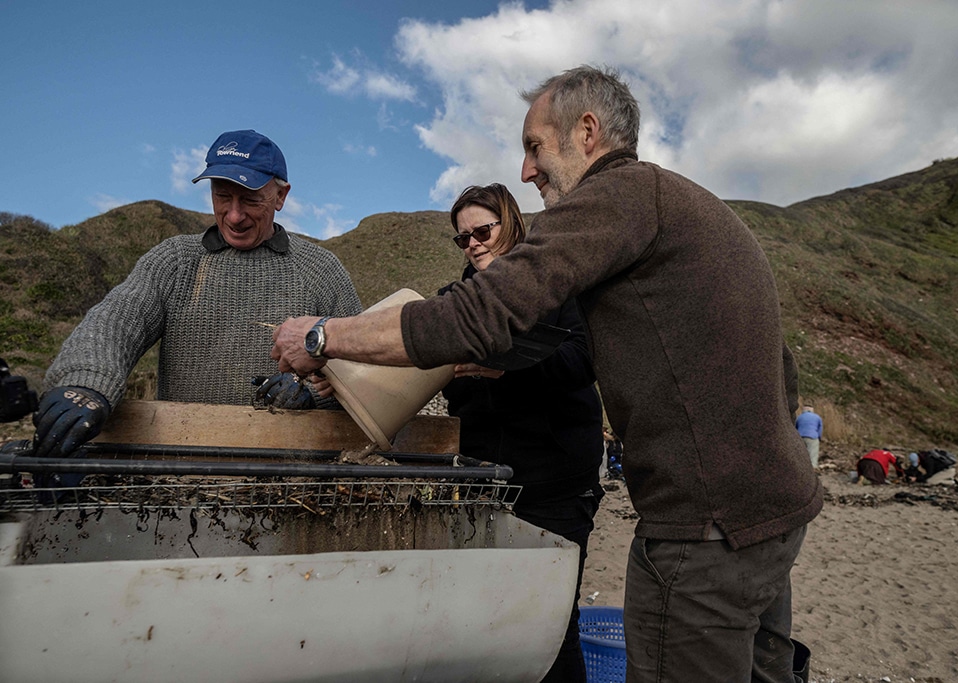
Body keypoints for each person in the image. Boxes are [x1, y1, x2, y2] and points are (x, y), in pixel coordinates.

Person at [271, 65, 822, 682]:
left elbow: (484, 318)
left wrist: (323, 334)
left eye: (534, 147)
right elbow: (783, 366)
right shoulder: (687, 209)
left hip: (703, 531)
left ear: (587, 132)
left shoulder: (619, 196)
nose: (527, 170)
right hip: (774, 512)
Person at [33, 129, 362, 465]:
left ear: (280, 196)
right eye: (222, 197)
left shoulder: (321, 271)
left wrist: (310, 396)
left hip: (289, 477)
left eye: (250, 200)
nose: (234, 216)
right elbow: (117, 321)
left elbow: (362, 375)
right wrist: (86, 383)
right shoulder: (175, 260)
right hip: (179, 469)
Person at [441, 183, 604, 683]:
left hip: (556, 487)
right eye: (462, 238)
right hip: (481, 488)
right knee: (485, 621)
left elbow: (584, 360)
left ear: (510, 224)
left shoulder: (560, 289)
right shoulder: (454, 303)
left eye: (481, 231)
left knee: (553, 628)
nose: (472, 244)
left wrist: (508, 365)